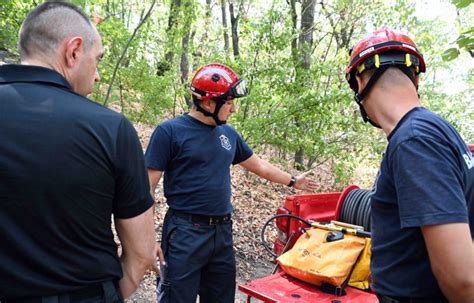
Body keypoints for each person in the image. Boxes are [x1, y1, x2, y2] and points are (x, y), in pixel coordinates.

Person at [0, 2, 157, 302]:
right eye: (97, 60)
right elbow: (141, 253)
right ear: (73, 51)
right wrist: (106, 296)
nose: (97, 76)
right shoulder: (111, 129)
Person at [145, 63, 319, 303]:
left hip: (222, 234)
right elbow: (146, 189)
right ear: (207, 103)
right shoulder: (170, 132)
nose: (234, 109)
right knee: (176, 297)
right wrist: (146, 238)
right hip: (185, 233)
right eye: (229, 103)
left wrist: (293, 181)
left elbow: (259, 166)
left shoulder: (228, 134)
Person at [345, 27, 474, 303]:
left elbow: (462, 280)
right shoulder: (434, 129)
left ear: (359, 82)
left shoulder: (414, 140)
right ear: (415, 77)